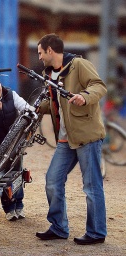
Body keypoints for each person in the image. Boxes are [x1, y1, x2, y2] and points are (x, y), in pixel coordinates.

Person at [35, 33, 107, 245]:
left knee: (92, 187)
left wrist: (84, 97)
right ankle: (58, 227)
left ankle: (96, 233)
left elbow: (99, 86)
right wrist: (36, 109)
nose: (39, 57)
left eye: (40, 53)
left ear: (50, 50)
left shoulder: (79, 65)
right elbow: (55, 103)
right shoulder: (49, 75)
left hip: (87, 137)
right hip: (66, 139)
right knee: (52, 180)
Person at [0, 74, 30, 221]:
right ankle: (8, 208)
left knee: (16, 174)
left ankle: (19, 205)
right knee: (3, 178)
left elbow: (26, 107)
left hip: (15, 144)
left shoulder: (11, 95)